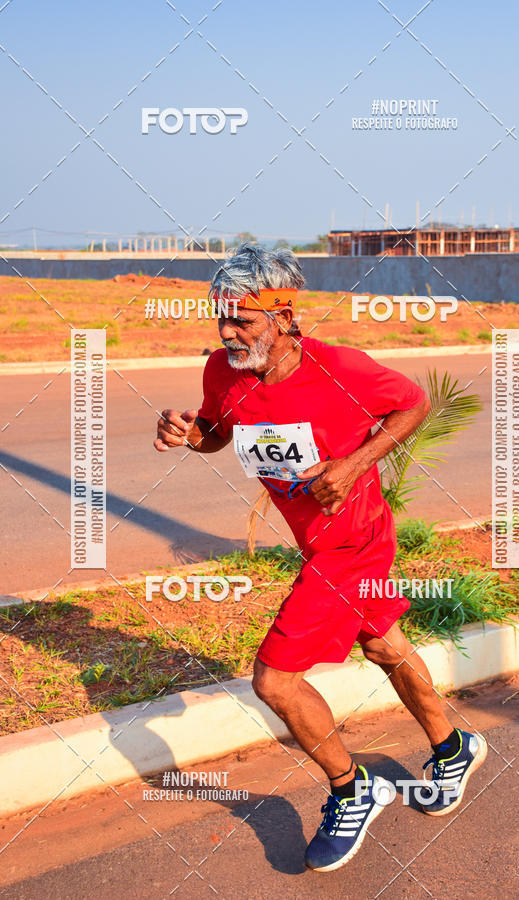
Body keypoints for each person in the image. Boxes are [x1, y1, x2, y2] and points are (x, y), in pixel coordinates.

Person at [154, 243, 487, 872]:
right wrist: (186, 433)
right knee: (385, 646)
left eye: (243, 320)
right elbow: (217, 434)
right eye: (222, 317)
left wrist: (355, 462)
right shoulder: (224, 372)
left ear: (283, 318)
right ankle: (452, 748)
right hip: (316, 544)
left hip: (355, 541)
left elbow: (415, 402)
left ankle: (349, 785)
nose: (228, 331)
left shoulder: (340, 368)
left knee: (274, 680)